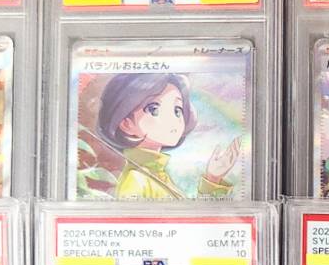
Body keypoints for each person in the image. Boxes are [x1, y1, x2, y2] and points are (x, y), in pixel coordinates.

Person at [95, 72, 240, 199]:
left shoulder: (155, 174)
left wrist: (213, 178)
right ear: (126, 124)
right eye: (154, 109)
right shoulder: (137, 180)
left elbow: (192, 217)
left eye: (177, 110)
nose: (172, 120)